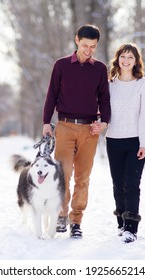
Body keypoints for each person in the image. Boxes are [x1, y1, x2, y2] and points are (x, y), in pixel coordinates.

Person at [42, 24, 111, 239]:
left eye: (92, 47)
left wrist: (104, 122)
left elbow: (105, 99)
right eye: (84, 45)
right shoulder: (61, 65)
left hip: (90, 129)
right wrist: (46, 122)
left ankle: (76, 221)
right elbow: (51, 95)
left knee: (83, 178)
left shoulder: (100, 69)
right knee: (63, 174)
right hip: (64, 126)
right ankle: (61, 215)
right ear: (76, 40)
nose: (88, 50)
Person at [105, 43, 145, 243]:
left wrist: (144, 143)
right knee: (118, 185)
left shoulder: (143, 84)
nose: (126, 60)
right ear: (117, 59)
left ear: (136, 61)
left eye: (130, 57)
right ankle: (121, 224)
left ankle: (131, 228)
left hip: (135, 142)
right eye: (123, 56)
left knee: (132, 184)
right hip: (113, 140)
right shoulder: (109, 84)